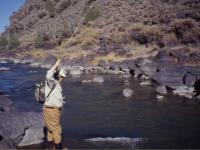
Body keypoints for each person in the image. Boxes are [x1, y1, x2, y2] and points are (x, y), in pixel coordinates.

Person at [43, 59, 66, 149]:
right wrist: (57, 63)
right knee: (56, 130)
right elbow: (49, 74)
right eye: (62, 76)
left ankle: (51, 148)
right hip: (51, 110)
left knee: (50, 130)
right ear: (57, 75)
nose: (63, 78)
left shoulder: (56, 84)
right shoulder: (51, 82)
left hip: (51, 109)